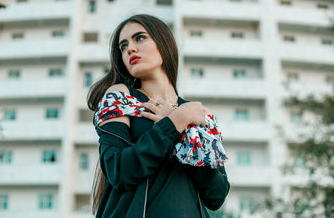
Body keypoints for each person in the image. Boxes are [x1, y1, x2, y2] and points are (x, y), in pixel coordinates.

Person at [87, 14, 230, 218]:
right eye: (123, 46)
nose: (130, 49)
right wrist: (174, 122)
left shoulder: (197, 114)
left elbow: (216, 195)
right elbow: (118, 171)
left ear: (163, 43)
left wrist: (183, 130)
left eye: (140, 38)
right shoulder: (120, 95)